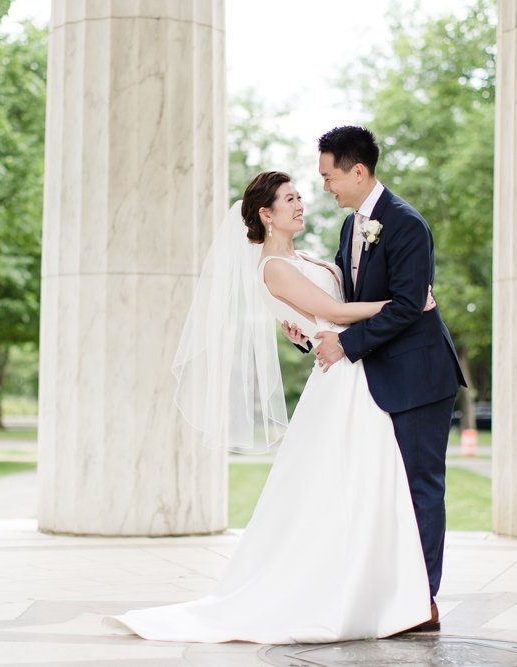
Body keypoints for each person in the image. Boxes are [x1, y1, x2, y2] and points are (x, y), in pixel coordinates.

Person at [106, 170, 439, 643]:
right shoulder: (273, 267)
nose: (302, 204)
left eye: (302, 195)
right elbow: (340, 312)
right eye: (290, 199)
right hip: (343, 376)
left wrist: (305, 328)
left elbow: (324, 313)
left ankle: (382, 587)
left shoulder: (299, 258)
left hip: (356, 366)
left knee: (367, 485)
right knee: (347, 485)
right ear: (266, 214)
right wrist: (409, 303)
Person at [286, 126, 465, 632]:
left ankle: (424, 602)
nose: (324, 187)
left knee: (420, 489)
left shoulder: (407, 225)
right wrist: (313, 335)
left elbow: (409, 305)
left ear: (357, 170)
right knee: (384, 491)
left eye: (328, 176)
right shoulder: (351, 228)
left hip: (420, 376)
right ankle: (390, 593)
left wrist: (347, 344)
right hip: (379, 378)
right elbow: (346, 304)